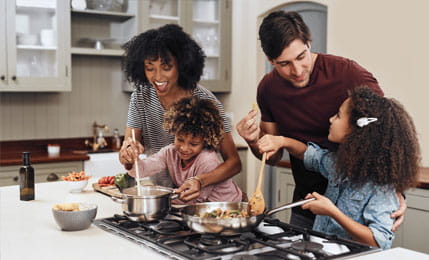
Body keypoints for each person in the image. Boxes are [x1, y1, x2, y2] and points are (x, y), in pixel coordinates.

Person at [236, 10, 406, 230]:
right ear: (270, 60)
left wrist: (395, 189)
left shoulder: (349, 74)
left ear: (309, 43)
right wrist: (253, 141)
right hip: (307, 204)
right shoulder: (268, 89)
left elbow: (387, 130)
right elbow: (273, 155)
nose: (297, 71)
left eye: (301, 57)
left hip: (359, 207)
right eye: (284, 64)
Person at [259, 87, 420, 249]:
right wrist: (281, 141)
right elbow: (309, 154)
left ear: (355, 129)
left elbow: (379, 241)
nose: (330, 119)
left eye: (338, 116)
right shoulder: (339, 164)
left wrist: (332, 211)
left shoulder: (381, 186)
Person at [119, 24, 241, 202]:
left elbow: (234, 163)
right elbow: (131, 146)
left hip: (202, 200)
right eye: (150, 67)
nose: (157, 76)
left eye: (166, 67)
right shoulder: (140, 97)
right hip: (165, 196)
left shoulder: (205, 101)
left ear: (181, 65)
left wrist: (199, 181)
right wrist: (127, 153)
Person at [127, 97, 242, 204]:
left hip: (227, 206)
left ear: (205, 141)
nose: (184, 148)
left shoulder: (207, 161)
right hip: (198, 208)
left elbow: (195, 199)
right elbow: (140, 170)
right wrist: (130, 161)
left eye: (193, 144)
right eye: (180, 139)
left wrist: (158, 199)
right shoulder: (169, 153)